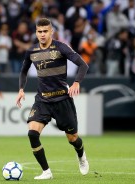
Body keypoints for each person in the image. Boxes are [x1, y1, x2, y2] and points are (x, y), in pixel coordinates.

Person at [15, 18, 89, 180]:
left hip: (62, 99)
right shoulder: (32, 51)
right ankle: (46, 171)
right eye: (39, 31)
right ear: (36, 32)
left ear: (51, 32)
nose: (42, 34)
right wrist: (21, 89)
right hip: (42, 100)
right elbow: (23, 71)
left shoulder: (61, 47)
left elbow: (83, 65)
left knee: (73, 138)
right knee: (32, 134)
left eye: (45, 31)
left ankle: (81, 155)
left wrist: (76, 82)